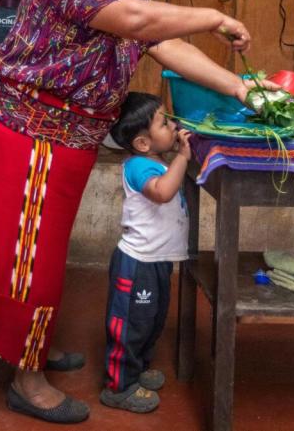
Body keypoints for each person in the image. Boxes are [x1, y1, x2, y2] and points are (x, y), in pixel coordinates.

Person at [0, 0, 269, 424]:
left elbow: (162, 43)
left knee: (37, 259)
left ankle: (31, 348)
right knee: (27, 262)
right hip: (29, 141)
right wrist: (215, 16)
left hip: (61, 145)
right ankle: (26, 380)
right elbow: (141, 22)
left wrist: (242, 86)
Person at [99, 93, 190, 413]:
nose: (173, 125)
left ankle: (136, 369)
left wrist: (174, 157)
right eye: (164, 123)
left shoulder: (155, 161)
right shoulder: (138, 166)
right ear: (142, 143)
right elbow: (162, 193)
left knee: (151, 319)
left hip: (157, 260)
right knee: (131, 323)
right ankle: (119, 386)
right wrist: (182, 158)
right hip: (137, 263)